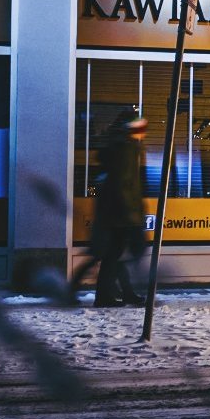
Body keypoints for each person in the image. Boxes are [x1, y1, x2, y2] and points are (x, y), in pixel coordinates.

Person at [71, 109, 148, 307]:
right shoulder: (126, 148)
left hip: (114, 211)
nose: (143, 131)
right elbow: (125, 184)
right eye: (141, 127)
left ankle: (123, 293)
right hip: (121, 213)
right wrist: (131, 213)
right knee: (112, 255)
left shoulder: (119, 145)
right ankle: (103, 296)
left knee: (114, 255)